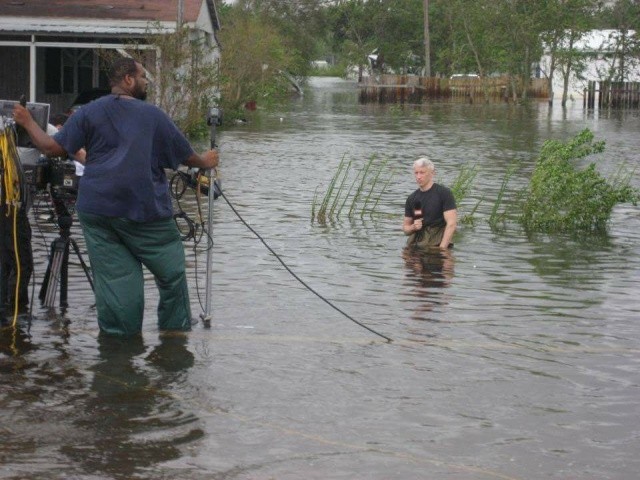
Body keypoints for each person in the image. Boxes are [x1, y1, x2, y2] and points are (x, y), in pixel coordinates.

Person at [13, 57, 219, 336]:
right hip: (144, 213)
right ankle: (174, 339)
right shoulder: (153, 115)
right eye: (143, 76)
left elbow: (51, 147)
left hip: (98, 212)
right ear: (128, 80)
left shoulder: (87, 112)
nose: (147, 82)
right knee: (171, 273)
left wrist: (26, 121)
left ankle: (118, 352)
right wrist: (207, 160)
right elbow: (188, 157)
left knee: (118, 282)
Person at [402, 157, 457, 249]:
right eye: (416, 173)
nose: (418, 177)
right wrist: (413, 227)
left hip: (437, 242)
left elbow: (451, 224)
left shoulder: (444, 193)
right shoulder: (412, 198)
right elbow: (405, 228)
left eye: (422, 172)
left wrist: (442, 249)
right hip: (417, 242)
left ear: (432, 174)